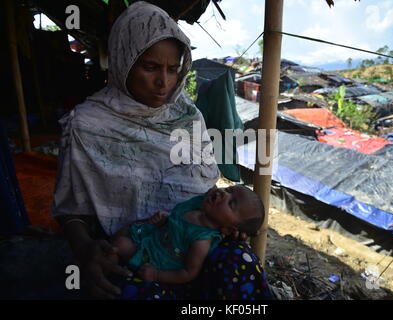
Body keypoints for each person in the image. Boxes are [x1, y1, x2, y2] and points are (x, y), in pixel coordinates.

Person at [51, 2, 272, 300]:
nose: (163, 82)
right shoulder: (87, 124)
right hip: (131, 249)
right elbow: (72, 210)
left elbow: (203, 187)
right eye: (150, 67)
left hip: (194, 242)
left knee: (243, 270)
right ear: (123, 61)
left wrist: (228, 221)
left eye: (172, 69)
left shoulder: (188, 117)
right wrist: (85, 248)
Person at [111, 185, 264, 284]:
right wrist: (162, 220)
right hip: (151, 236)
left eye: (231, 203)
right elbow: (175, 223)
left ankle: (111, 263)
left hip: (154, 258)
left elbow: (188, 273)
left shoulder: (201, 241)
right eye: (229, 189)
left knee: (119, 244)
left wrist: (156, 275)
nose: (223, 193)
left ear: (229, 229)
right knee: (124, 230)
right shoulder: (198, 204)